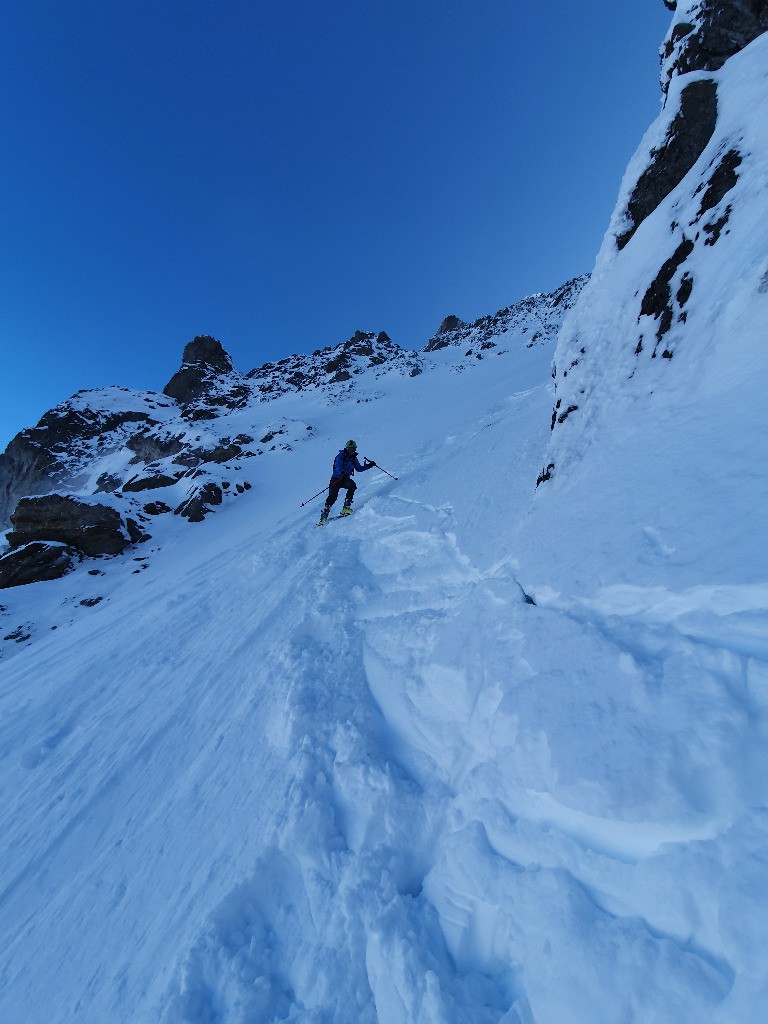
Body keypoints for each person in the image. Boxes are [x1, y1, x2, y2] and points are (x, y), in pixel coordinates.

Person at [317, 440, 375, 524]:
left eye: (354, 449)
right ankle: (324, 516)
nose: (352, 451)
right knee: (332, 497)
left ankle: (346, 507)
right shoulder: (340, 456)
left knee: (352, 486)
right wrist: (342, 473)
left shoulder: (353, 458)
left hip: (344, 479)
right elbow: (338, 466)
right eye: (351, 449)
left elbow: (358, 468)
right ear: (347, 448)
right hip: (336, 479)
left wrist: (369, 465)